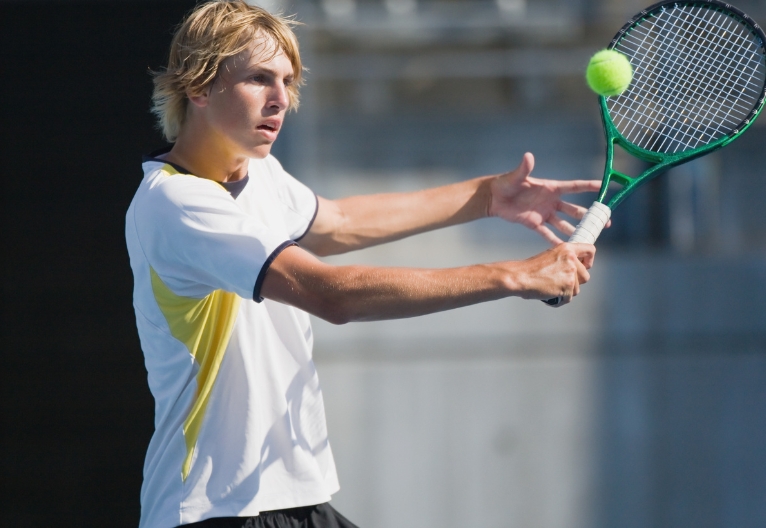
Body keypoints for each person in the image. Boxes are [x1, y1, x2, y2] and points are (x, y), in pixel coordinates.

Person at [125, 1, 599, 527]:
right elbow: (332, 294)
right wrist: (513, 275)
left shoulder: (261, 176)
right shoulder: (174, 203)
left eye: (286, 80)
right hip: (216, 511)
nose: (281, 99)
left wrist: (487, 196)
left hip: (295, 502)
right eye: (259, 79)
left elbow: (340, 222)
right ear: (199, 86)